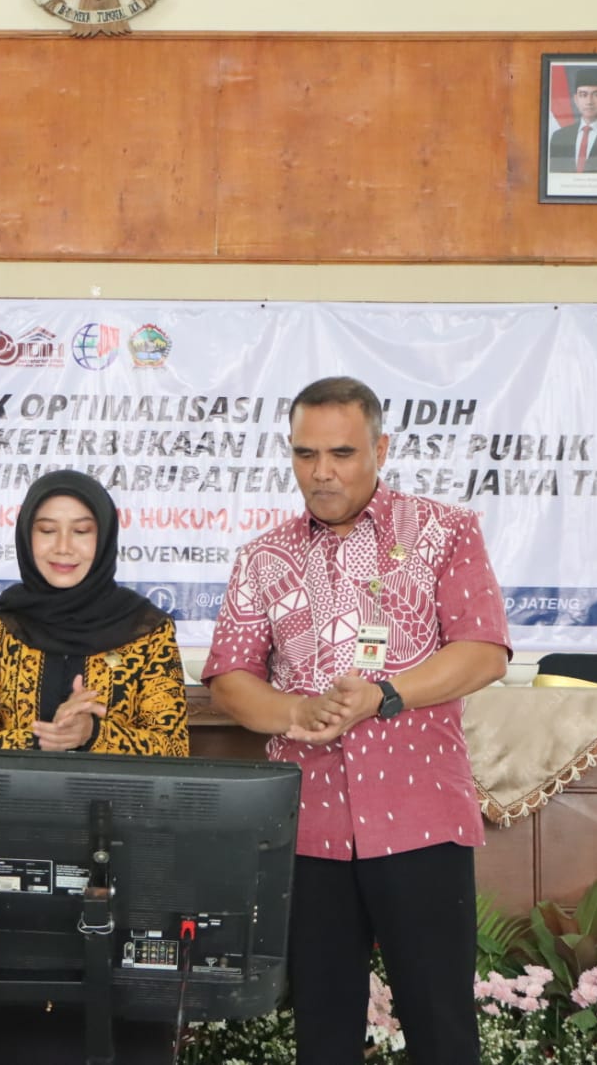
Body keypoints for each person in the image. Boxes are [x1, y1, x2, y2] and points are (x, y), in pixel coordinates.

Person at [200, 376, 510, 1065]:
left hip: (421, 819)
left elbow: (485, 651)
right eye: (305, 453)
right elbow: (228, 677)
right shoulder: (264, 557)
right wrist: (294, 711)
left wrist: (385, 695)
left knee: (442, 1031)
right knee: (323, 1033)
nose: (322, 471)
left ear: (380, 449)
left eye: (341, 453)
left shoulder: (445, 532)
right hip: (310, 831)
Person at [0, 468, 188, 1062]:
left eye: (81, 531)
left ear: (103, 539)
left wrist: (92, 735)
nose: (63, 546)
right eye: (47, 529)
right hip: (6, 865)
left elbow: (172, 749)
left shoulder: (147, 631)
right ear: (25, 536)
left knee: (118, 1035)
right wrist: (41, 742)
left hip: (122, 865)